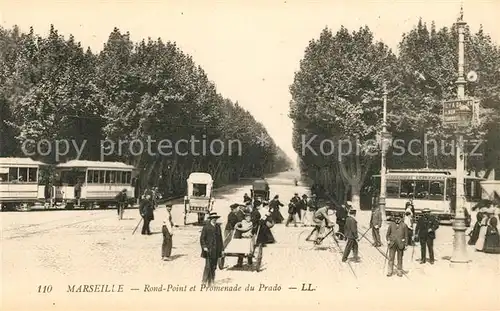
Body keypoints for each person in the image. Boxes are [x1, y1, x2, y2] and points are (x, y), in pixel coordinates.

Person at [200, 212, 223, 286]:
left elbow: (220, 239)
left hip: (216, 250)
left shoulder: (218, 227)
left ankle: (211, 281)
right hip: (208, 250)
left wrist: (222, 249)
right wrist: (204, 247)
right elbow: (202, 238)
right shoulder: (206, 227)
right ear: (210, 219)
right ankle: (204, 281)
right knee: (208, 266)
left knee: (214, 266)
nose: (214, 220)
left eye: (215, 218)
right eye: (213, 218)